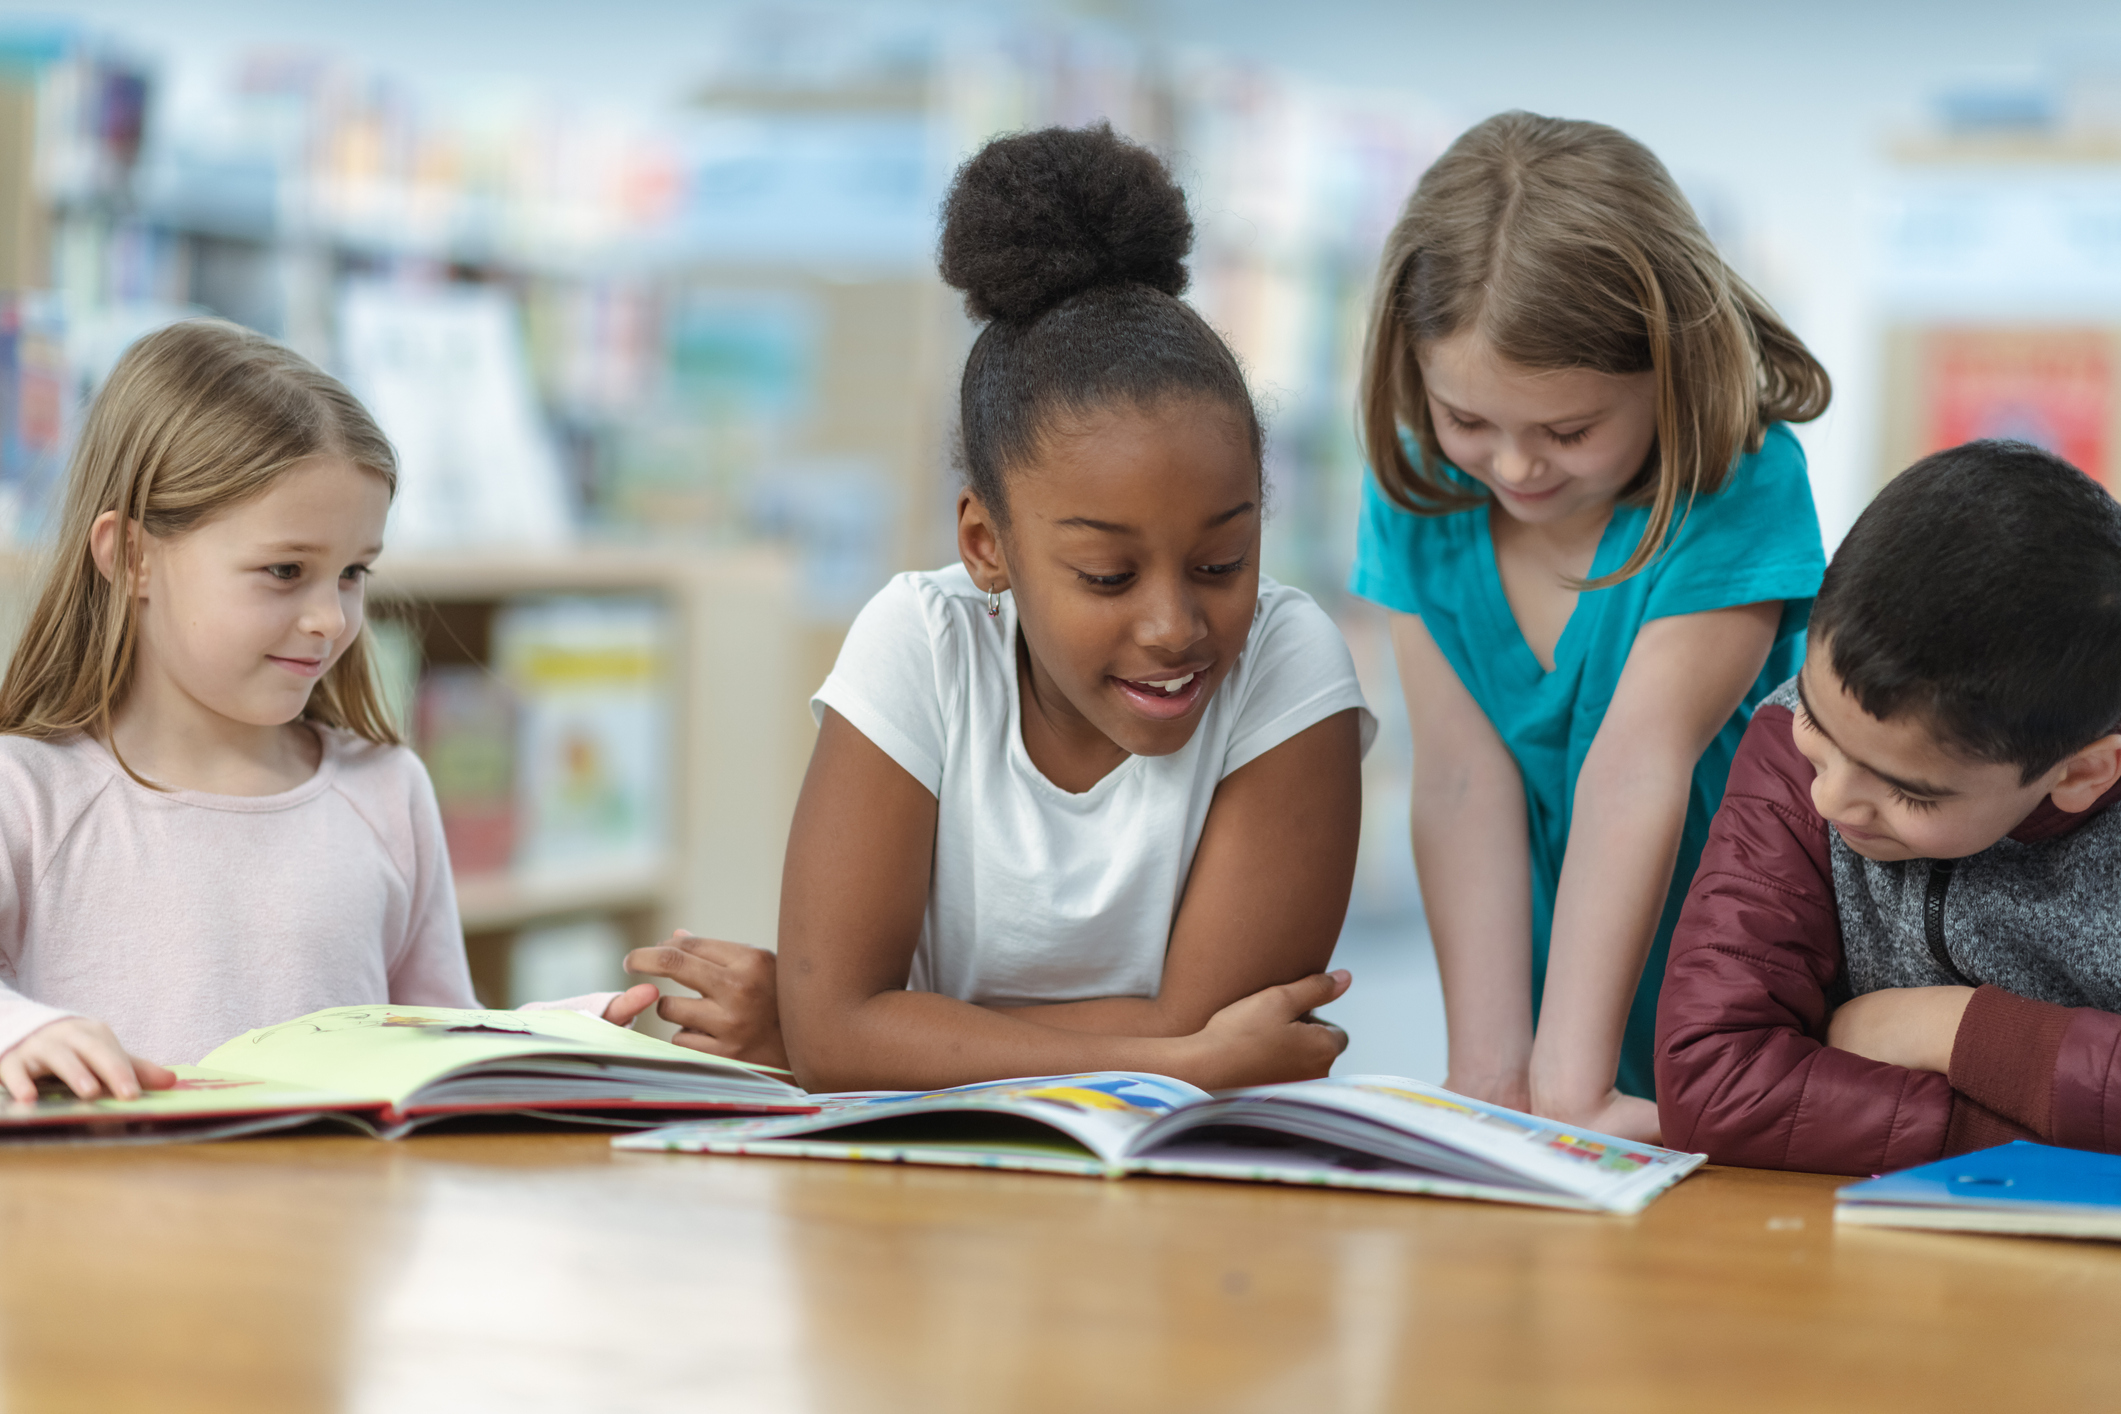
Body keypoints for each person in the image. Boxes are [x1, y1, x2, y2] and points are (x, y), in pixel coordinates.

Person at [690, 122, 1372, 1094]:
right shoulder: (920, 642)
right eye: (1107, 575)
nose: (1175, 624)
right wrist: (1174, 1055)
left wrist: (871, 1027)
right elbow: (844, 1031)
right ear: (986, 546)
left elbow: (840, 1031)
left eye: (1224, 559)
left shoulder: (1287, 659)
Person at [0, 319, 661, 1103]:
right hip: (113, 1219)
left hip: (342, 1218)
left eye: (353, 573)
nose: (330, 619)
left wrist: (544, 1038)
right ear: (131, 556)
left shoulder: (387, 791)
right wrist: (24, 1030)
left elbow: (433, 1037)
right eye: (285, 570)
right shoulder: (28, 793)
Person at [1348, 112, 1832, 1141]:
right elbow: (1461, 780)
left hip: (1741, 1018)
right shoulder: (1420, 491)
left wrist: (1567, 1083)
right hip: (1552, 1020)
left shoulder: (1739, 487)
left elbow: (1635, 764)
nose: (1517, 468)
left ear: (1671, 365)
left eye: (1569, 430)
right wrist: (1490, 1072)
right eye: (1469, 421)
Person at [1657, 441, 2121, 1173]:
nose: (1828, 796)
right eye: (1819, 725)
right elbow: (1714, 1084)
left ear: (2082, 774)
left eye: (1908, 792)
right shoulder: (1788, 739)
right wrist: (2052, 1126)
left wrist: (1960, 1034)